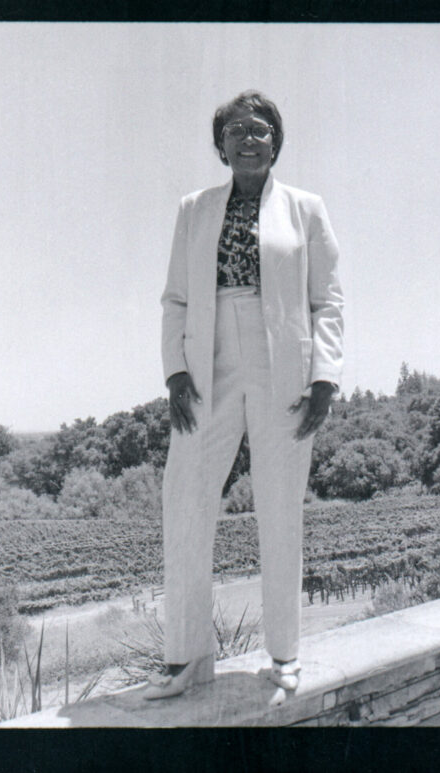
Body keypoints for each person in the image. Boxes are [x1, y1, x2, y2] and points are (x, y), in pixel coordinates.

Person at [143, 90, 344, 700]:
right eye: (235, 129)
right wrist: (176, 370)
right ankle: (185, 660)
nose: (248, 137)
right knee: (184, 505)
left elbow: (328, 300)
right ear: (220, 144)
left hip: (284, 362)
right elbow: (176, 297)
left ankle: (284, 656)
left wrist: (325, 375)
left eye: (259, 129)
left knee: (281, 506)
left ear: (275, 141)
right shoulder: (194, 209)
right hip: (207, 365)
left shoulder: (306, 209)